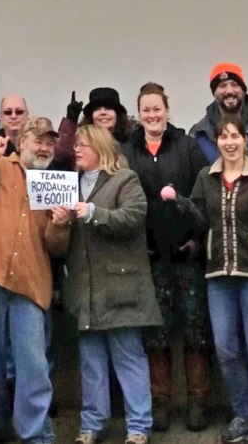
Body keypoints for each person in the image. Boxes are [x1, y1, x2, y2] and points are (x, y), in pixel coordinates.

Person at [0, 117, 70, 444]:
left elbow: (57, 248)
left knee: (33, 364)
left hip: (30, 283)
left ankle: (37, 435)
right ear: (22, 143)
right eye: (38, 141)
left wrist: (60, 224)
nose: (44, 148)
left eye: (49, 143)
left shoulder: (54, 183)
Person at [187, 117, 248, 444]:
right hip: (217, 276)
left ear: (245, 140)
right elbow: (198, 221)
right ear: (217, 142)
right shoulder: (206, 177)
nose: (229, 142)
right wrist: (184, 215)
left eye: (235, 136)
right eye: (223, 136)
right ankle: (242, 413)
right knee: (226, 349)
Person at [122, 81, 211, 432]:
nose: (152, 115)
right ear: (139, 113)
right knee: (156, 334)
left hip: (187, 255)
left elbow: (204, 194)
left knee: (194, 330)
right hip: (149, 257)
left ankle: (198, 403)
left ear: (167, 111)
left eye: (157, 109)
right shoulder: (128, 151)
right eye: (146, 110)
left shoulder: (187, 146)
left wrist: (196, 239)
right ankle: (159, 403)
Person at [64, 125, 162, 444]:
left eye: (83, 145)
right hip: (85, 288)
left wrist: (94, 213)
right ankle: (92, 426)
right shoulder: (68, 184)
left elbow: (133, 216)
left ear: (102, 148)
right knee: (91, 363)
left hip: (120, 287)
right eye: (76, 145)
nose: (76, 149)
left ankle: (138, 428)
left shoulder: (125, 179)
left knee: (129, 359)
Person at [189, 62, 248, 171]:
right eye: (222, 86)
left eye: (234, 85)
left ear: (243, 90)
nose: (229, 91)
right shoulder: (198, 134)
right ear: (214, 92)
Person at [58, 87, 134, 165]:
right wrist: (71, 121)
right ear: (91, 116)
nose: (103, 112)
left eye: (108, 108)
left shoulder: (132, 142)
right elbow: (62, 158)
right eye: (97, 109)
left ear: (118, 115)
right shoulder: (80, 141)